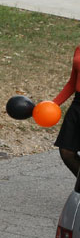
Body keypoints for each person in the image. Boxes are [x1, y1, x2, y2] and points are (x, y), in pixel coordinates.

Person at [52, 46, 80, 176]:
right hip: (78, 104)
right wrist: (53, 104)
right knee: (67, 152)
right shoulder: (78, 49)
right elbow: (72, 83)